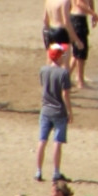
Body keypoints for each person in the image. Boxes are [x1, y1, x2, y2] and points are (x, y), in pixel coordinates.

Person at [34, 46, 72, 184]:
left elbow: (43, 86)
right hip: (58, 111)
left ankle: (38, 170)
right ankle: (56, 171)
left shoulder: (43, 70)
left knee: (42, 140)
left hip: (45, 109)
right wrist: (70, 112)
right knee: (57, 142)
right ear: (59, 56)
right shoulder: (63, 73)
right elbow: (65, 94)